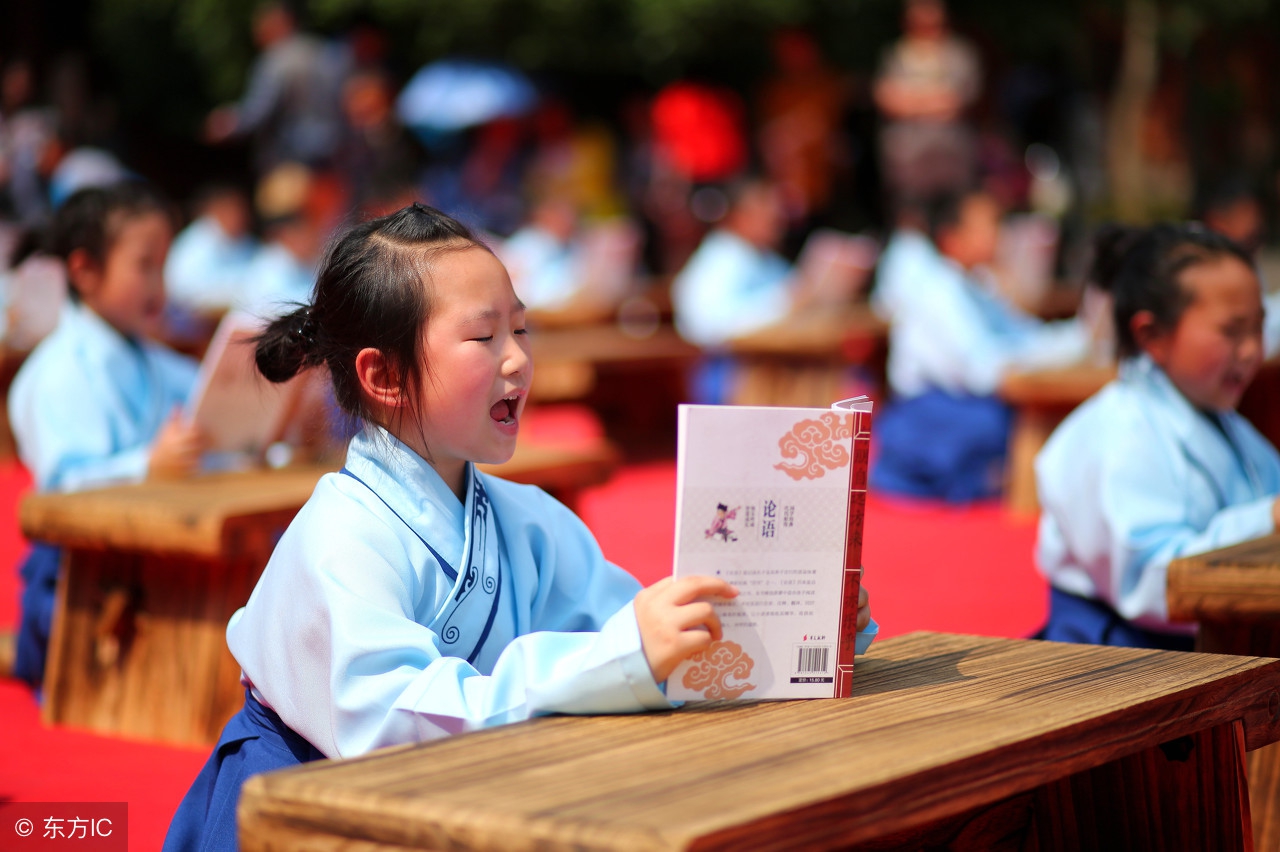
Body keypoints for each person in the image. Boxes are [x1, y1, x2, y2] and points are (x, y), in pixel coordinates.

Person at [162, 203, 874, 852]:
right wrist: (622, 658)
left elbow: (635, 643)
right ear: (383, 376)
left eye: (521, 328)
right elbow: (395, 723)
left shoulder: (528, 517)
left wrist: (793, 621)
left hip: (462, 802)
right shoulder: (338, 537)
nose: (518, 359)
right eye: (483, 335)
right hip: (304, 813)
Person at [1035, 223, 1280, 649]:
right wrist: (1269, 520)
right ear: (1151, 335)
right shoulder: (1116, 433)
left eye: (1258, 328)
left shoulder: (1224, 420)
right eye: (1231, 331)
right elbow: (1153, 578)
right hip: (1123, 656)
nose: (1251, 350)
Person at [8, 182, 206, 687]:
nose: (159, 286)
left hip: (153, 571)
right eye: (144, 266)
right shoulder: (55, 371)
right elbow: (63, 487)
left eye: (163, 266)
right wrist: (147, 465)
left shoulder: (155, 360)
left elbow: (208, 405)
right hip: (75, 591)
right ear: (85, 271)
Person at [870, 189, 1088, 502]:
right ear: (952, 238)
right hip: (934, 411)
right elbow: (984, 372)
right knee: (1008, 422)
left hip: (965, 399)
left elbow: (1023, 337)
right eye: (989, 225)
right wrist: (1059, 351)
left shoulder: (977, 283)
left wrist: (1080, 338)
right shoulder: (938, 291)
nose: (1000, 235)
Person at [873, 0, 982, 209]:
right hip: (906, 162)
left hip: (952, 160)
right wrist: (934, 98)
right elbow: (887, 99)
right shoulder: (895, 55)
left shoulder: (959, 54)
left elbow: (956, 101)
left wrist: (911, 99)